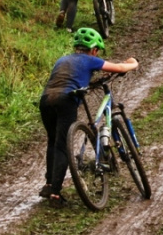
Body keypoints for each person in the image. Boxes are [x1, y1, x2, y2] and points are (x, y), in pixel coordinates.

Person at [39, 27, 139, 206]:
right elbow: (119, 67)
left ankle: (48, 184)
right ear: (93, 50)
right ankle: (55, 193)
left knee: (53, 142)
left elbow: (73, 77)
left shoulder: (62, 59)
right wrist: (133, 62)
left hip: (46, 99)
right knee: (63, 145)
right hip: (66, 100)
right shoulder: (90, 60)